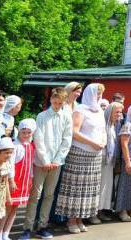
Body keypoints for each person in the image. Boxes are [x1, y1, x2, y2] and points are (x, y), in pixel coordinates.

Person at [20, 88, 72, 240]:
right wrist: (45, 160)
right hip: (41, 162)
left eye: (60, 102)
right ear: (51, 100)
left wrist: (56, 160)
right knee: (35, 195)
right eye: (55, 101)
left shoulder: (66, 117)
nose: (57, 104)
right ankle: (27, 228)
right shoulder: (41, 116)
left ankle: (43, 225)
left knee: (49, 195)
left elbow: (66, 140)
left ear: (63, 102)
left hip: (56, 163)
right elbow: (39, 138)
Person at [55, 83, 108, 234]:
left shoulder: (99, 111)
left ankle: (80, 219)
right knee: (76, 189)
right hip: (80, 153)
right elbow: (74, 132)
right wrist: (93, 143)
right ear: (90, 93)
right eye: (96, 93)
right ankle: (71, 220)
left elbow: (102, 130)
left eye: (100, 94)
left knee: (87, 190)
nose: (98, 96)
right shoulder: (80, 109)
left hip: (95, 155)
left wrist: (103, 142)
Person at [0, 119, 35, 240]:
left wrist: (31, 178)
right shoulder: (15, 146)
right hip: (15, 181)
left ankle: (6, 234)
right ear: (19, 132)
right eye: (23, 132)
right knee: (7, 208)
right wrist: (11, 180)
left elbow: (30, 165)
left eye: (29, 132)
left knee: (15, 209)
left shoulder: (30, 146)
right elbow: (11, 165)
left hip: (24, 182)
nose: (26, 135)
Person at [95, 102, 124, 223]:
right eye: (116, 112)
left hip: (109, 161)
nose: (119, 114)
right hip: (101, 160)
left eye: (120, 112)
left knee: (105, 188)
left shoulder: (114, 125)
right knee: (98, 187)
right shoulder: (103, 125)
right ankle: (93, 213)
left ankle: (100, 211)